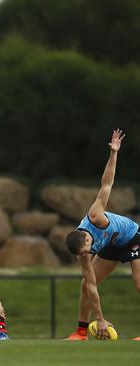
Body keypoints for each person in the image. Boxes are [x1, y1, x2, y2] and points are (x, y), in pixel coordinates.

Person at [64, 129, 140, 341]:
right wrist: (101, 319)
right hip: (112, 246)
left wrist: (114, 153)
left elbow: (107, 184)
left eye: (88, 249)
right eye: (84, 253)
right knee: (85, 284)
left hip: (132, 237)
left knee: (139, 282)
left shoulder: (95, 216)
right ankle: (80, 332)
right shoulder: (83, 253)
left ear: (88, 238)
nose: (88, 253)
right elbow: (91, 286)